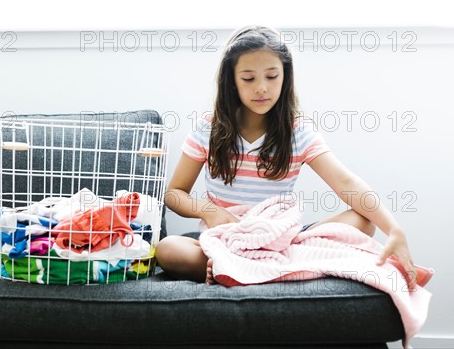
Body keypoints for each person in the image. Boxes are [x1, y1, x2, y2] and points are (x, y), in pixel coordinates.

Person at [155, 25, 418, 288]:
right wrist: (209, 211)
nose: (261, 88)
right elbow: (175, 193)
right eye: (248, 79)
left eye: (272, 76)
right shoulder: (208, 129)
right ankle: (252, 266)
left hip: (279, 240)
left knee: (362, 221)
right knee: (168, 249)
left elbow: (347, 184)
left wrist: (394, 229)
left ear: (285, 77)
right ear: (231, 82)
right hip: (227, 239)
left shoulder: (298, 131)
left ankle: (244, 269)